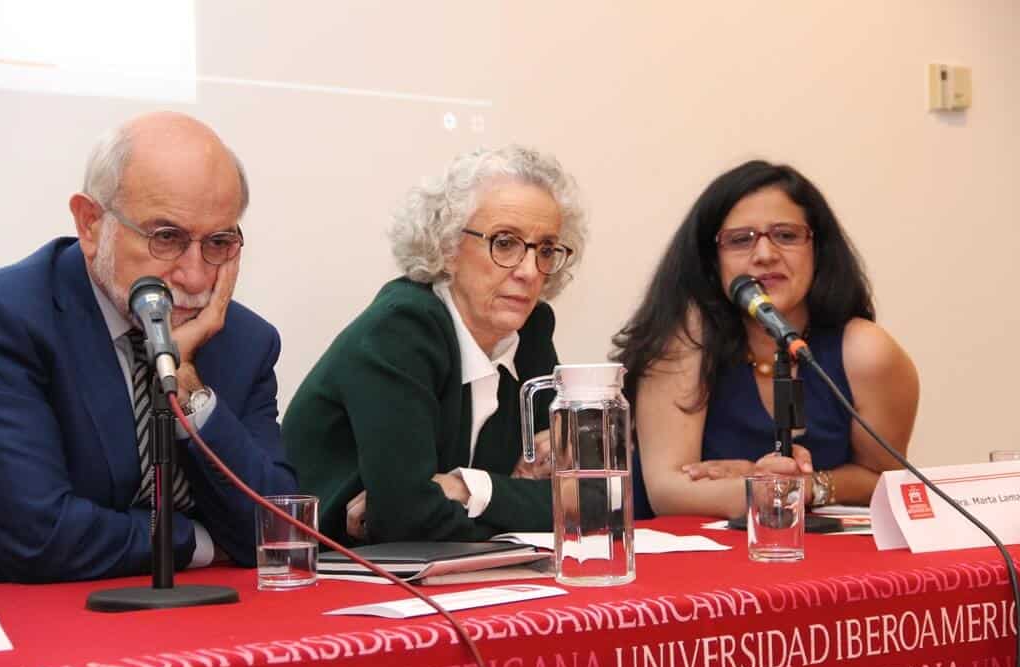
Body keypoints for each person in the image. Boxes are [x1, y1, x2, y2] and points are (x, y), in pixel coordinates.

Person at [0, 112, 298, 583]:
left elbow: (278, 530)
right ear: (91, 223)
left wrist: (190, 382)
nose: (195, 277)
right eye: (167, 238)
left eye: (219, 242)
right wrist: (198, 542)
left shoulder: (245, 342)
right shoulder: (14, 318)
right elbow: (38, 533)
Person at [283, 145, 587, 545]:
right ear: (447, 247)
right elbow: (406, 520)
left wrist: (466, 489)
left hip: (448, 575)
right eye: (505, 243)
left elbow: (592, 500)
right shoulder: (403, 328)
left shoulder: (531, 331)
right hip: (329, 572)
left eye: (545, 249)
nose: (530, 272)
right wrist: (516, 500)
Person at [612, 160, 919, 520]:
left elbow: (887, 483)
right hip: (694, 559)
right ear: (712, 262)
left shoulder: (867, 352)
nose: (765, 255)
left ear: (818, 250)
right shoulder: (685, 336)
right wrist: (767, 484)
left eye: (786, 235)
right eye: (740, 240)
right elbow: (669, 493)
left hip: (825, 561)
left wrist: (807, 486)